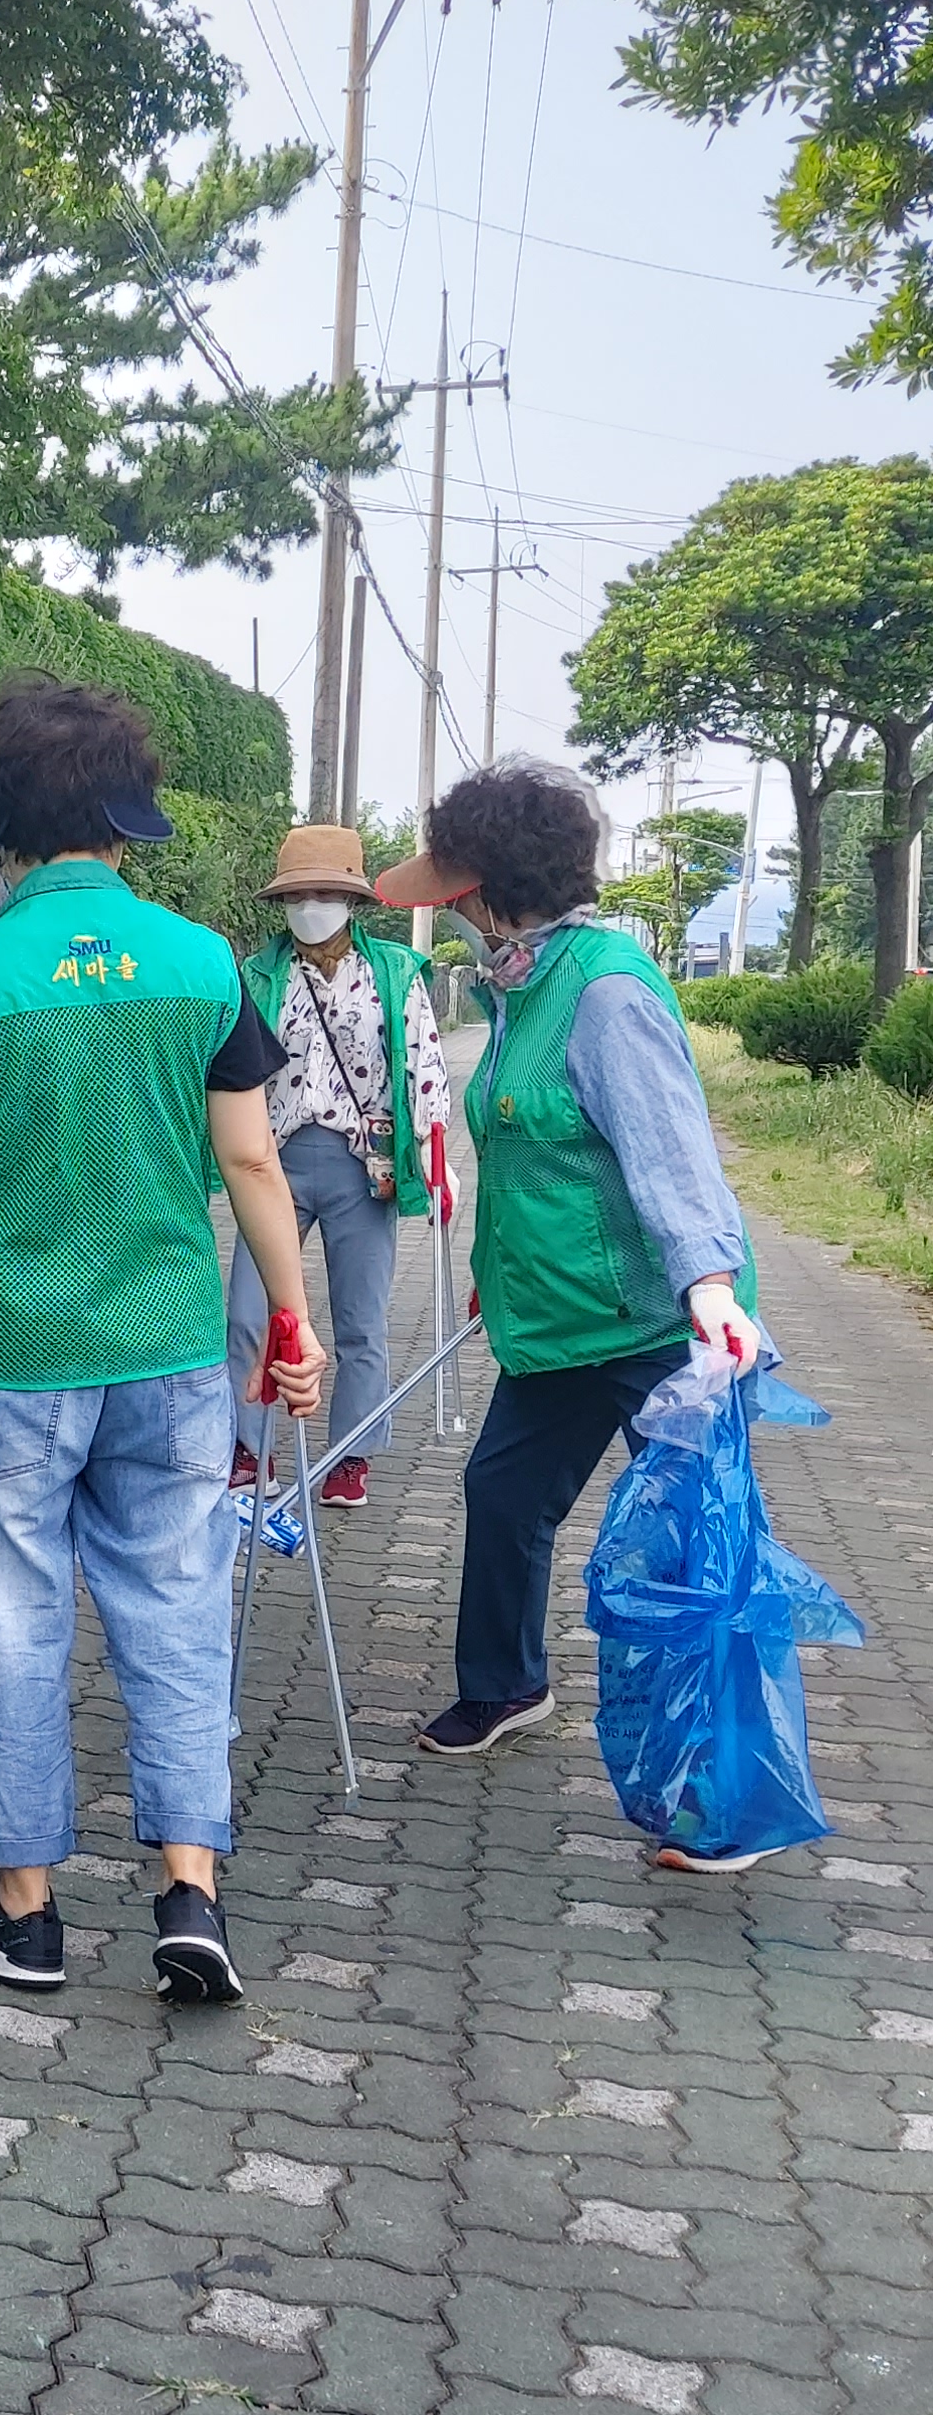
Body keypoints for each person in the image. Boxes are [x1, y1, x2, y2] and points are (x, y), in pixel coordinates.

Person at [0, 677, 330, 2006]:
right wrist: (292, 1322)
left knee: (6, 1621)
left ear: (0, 825)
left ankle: (25, 1916)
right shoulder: (203, 967)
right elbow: (251, 1161)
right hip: (171, 1349)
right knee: (176, 1606)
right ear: (125, 823)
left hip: (3, 1355)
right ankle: (192, 1887)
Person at [372, 761, 765, 1789]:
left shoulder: (603, 992)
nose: (451, 912)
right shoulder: (524, 985)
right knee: (502, 1490)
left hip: (654, 1326)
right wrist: (494, 1271)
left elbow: (668, 1154)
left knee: (687, 1546)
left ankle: (720, 1785)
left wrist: (710, 1286)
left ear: (496, 891)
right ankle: (507, 1682)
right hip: (561, 1320)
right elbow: (538, 1153)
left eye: (458, 893)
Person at [224, 824, 454, 1508]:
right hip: (273, 1162)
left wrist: (439, 1160)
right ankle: (248, 1446)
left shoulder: (391, 972)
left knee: (360, 1321)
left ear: (353, 899)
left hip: (364, 1166)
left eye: (325, 892)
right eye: (298, 894)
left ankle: (352, 1455)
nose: (311, 906)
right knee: (248, 1313)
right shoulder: (257, 974)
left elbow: (425, 1064)